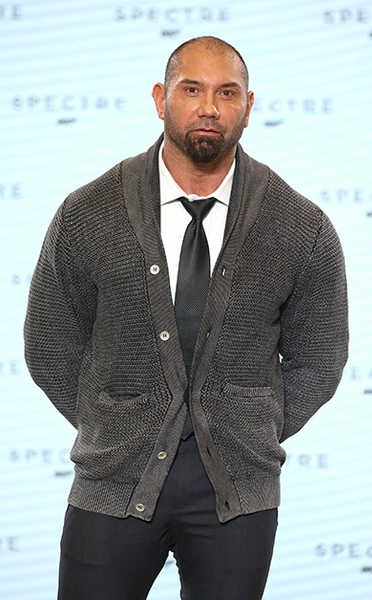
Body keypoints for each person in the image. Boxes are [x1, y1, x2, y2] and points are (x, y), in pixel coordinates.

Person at [24, 36, 348, 600]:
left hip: (237, 489)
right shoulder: (87, 212)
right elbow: (50, 344)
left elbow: (320, 357)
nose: (209, 108)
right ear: (160, 98)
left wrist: (248, 425)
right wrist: (116, 422)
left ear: (248, 106)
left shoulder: (301, 225)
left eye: (227, 93)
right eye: (191, 89)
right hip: (113, 480)